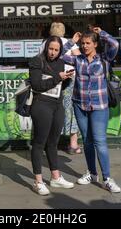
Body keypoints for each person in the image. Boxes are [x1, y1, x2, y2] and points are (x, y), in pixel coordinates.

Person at [62, 27, 121, 193]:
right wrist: (71, 42)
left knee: (100, 142)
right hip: (80, 105)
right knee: (87, 141)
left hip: (99, 106)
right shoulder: (77, 59)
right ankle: (92, 173)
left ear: (95, 44)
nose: (85, 46)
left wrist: (102, 32)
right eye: (83, 43)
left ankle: (107, 178)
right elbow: (58, 55)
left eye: (88, 43)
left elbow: (115, 44)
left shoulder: (104, 58)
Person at [29, 35, 75, 196]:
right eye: (51, 48)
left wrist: (67, 78)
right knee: (39, 143)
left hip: (57, 105)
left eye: (56, 50)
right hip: (41, 104)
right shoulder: (37, 61)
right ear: (46, 47)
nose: (53, 52)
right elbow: (37, 85)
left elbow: (62, 86)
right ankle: (38, 181)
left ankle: (56, 177)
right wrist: (58, 78)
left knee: (53, 142)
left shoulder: (61, 63)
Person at [39, 22, 81, 154]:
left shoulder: (46, 44)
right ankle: (73, 144)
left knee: (50, 109)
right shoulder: (69, 43)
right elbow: (79, 59)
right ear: (63, 31)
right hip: (69, 78)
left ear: (51, 31)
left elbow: (39, 61)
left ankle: (50, 143)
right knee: (70, 109)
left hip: (51, 79)